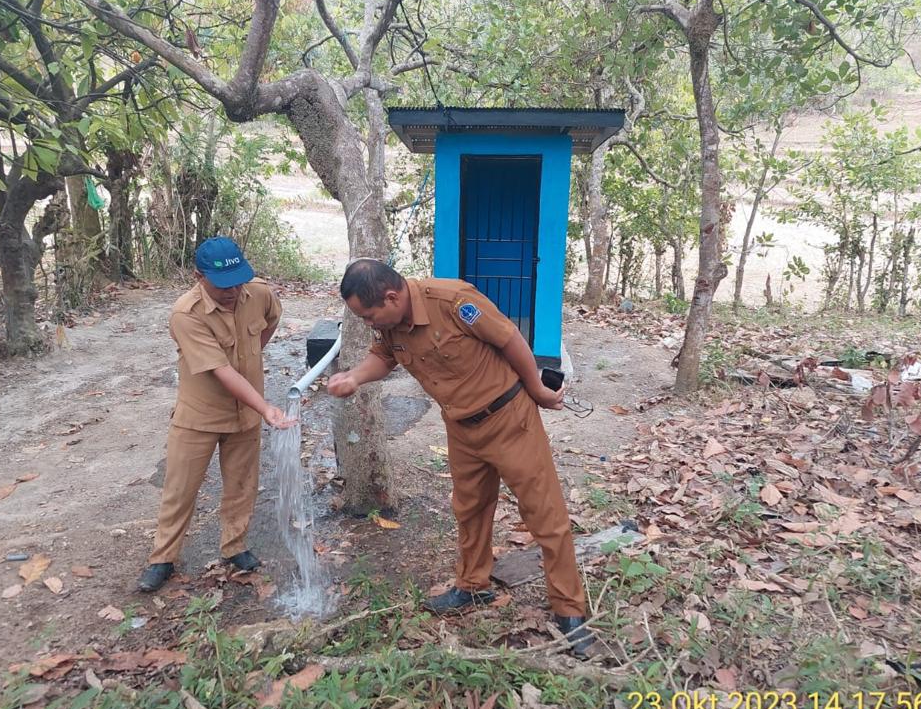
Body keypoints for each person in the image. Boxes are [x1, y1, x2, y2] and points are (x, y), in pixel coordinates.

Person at [326, 259, 594, 656]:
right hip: (461, 427)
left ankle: (569, 609)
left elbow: (509, 340)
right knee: (469, 508)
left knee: (544, 513)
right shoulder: (389, 323)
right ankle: (472, 586)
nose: (368, 323)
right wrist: (353, 377)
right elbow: (384, 357)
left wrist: (537, 390)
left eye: (368, 315)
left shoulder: (453, 300)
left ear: (391, 296)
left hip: (508, 419)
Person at [138, 237, 295, 593]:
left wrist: (254, 355)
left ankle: (234, 546)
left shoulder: (258, 294)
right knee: (180, 489)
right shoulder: (186, 314)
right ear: (199, 276)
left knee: (242, 485)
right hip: (200, 415)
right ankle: (162, 558)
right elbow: (221, 372)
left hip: (245, 414)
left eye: (238, 281)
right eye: (223, 285)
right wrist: (267, 407)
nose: (233, 291)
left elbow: (272, 319)